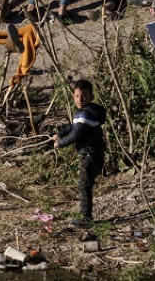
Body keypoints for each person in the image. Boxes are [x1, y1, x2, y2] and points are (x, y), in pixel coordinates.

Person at [53, 79, 107, 226]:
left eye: (83, 96)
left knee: (84, 186)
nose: (80, 99)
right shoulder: (89, 112)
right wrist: (60, 133)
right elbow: (73, 127)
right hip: (95, 153)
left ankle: (86, 218)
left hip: (90, 155)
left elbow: (76, 134)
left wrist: (60, 143)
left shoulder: (85, 114)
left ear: (91, 97)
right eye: (77, 96)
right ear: (73, 96)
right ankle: (86, 216)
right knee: (85, 185)